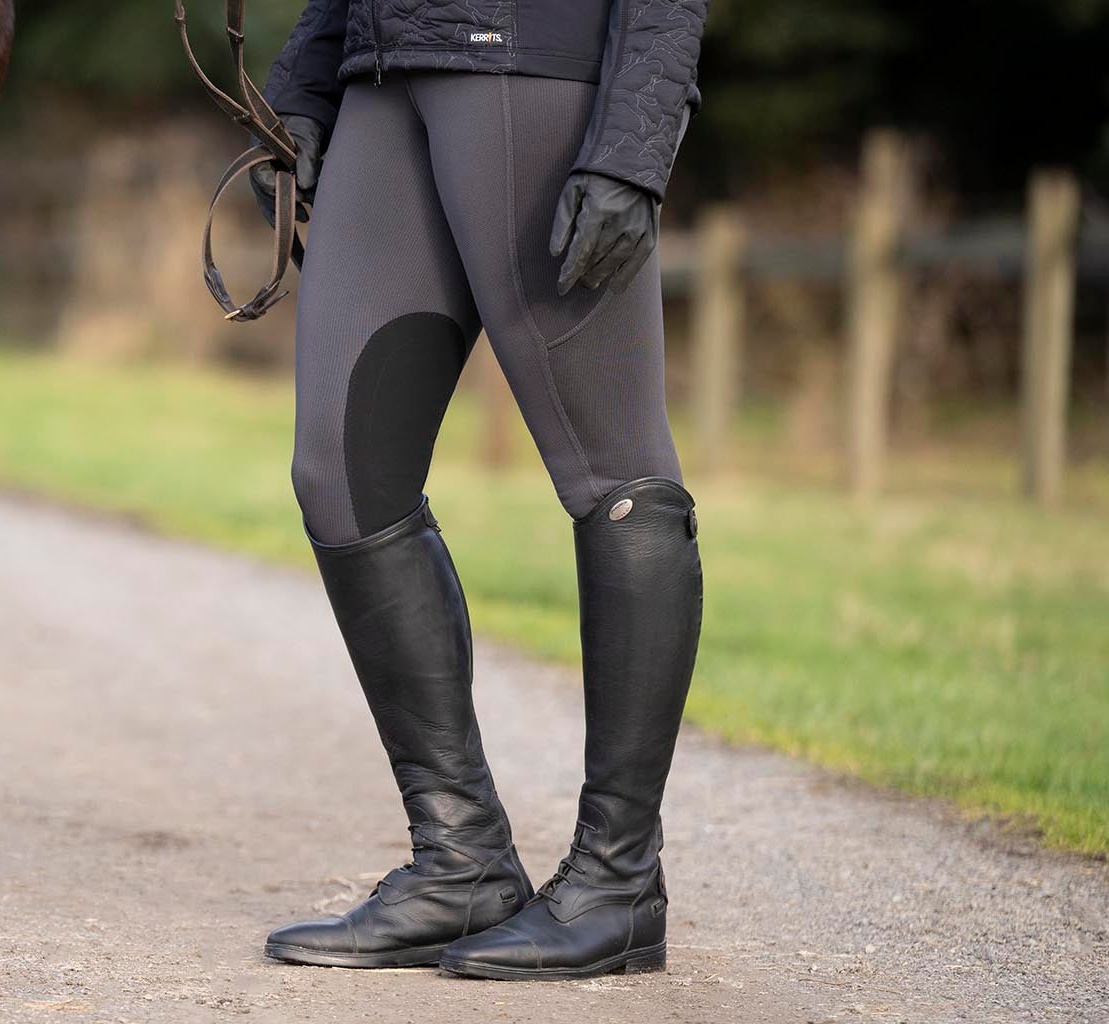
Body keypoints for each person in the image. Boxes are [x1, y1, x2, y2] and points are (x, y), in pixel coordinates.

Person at [250, 0, 708, 981]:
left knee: (614, 471)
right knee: (339, 473)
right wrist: (300, 80)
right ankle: (458, 857)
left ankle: (617, 882)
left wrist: (631, 143)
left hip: (532, 68)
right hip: (382, 74)